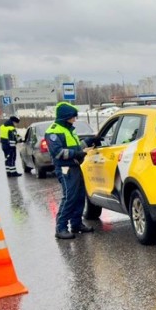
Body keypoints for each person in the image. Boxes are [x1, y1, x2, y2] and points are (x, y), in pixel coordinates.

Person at [46, 101, 94, 240]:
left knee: (79, 196)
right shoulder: (53, 131)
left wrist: (89, 142)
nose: (75, 119)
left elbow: (76, 147)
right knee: (69, 197)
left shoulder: (68, 129)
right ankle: (61, 227)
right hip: (65, 167)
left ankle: (76, 224)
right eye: (73, 117)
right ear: (65, 117)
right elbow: (57, 152)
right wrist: (76, 154)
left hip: (74, 166)